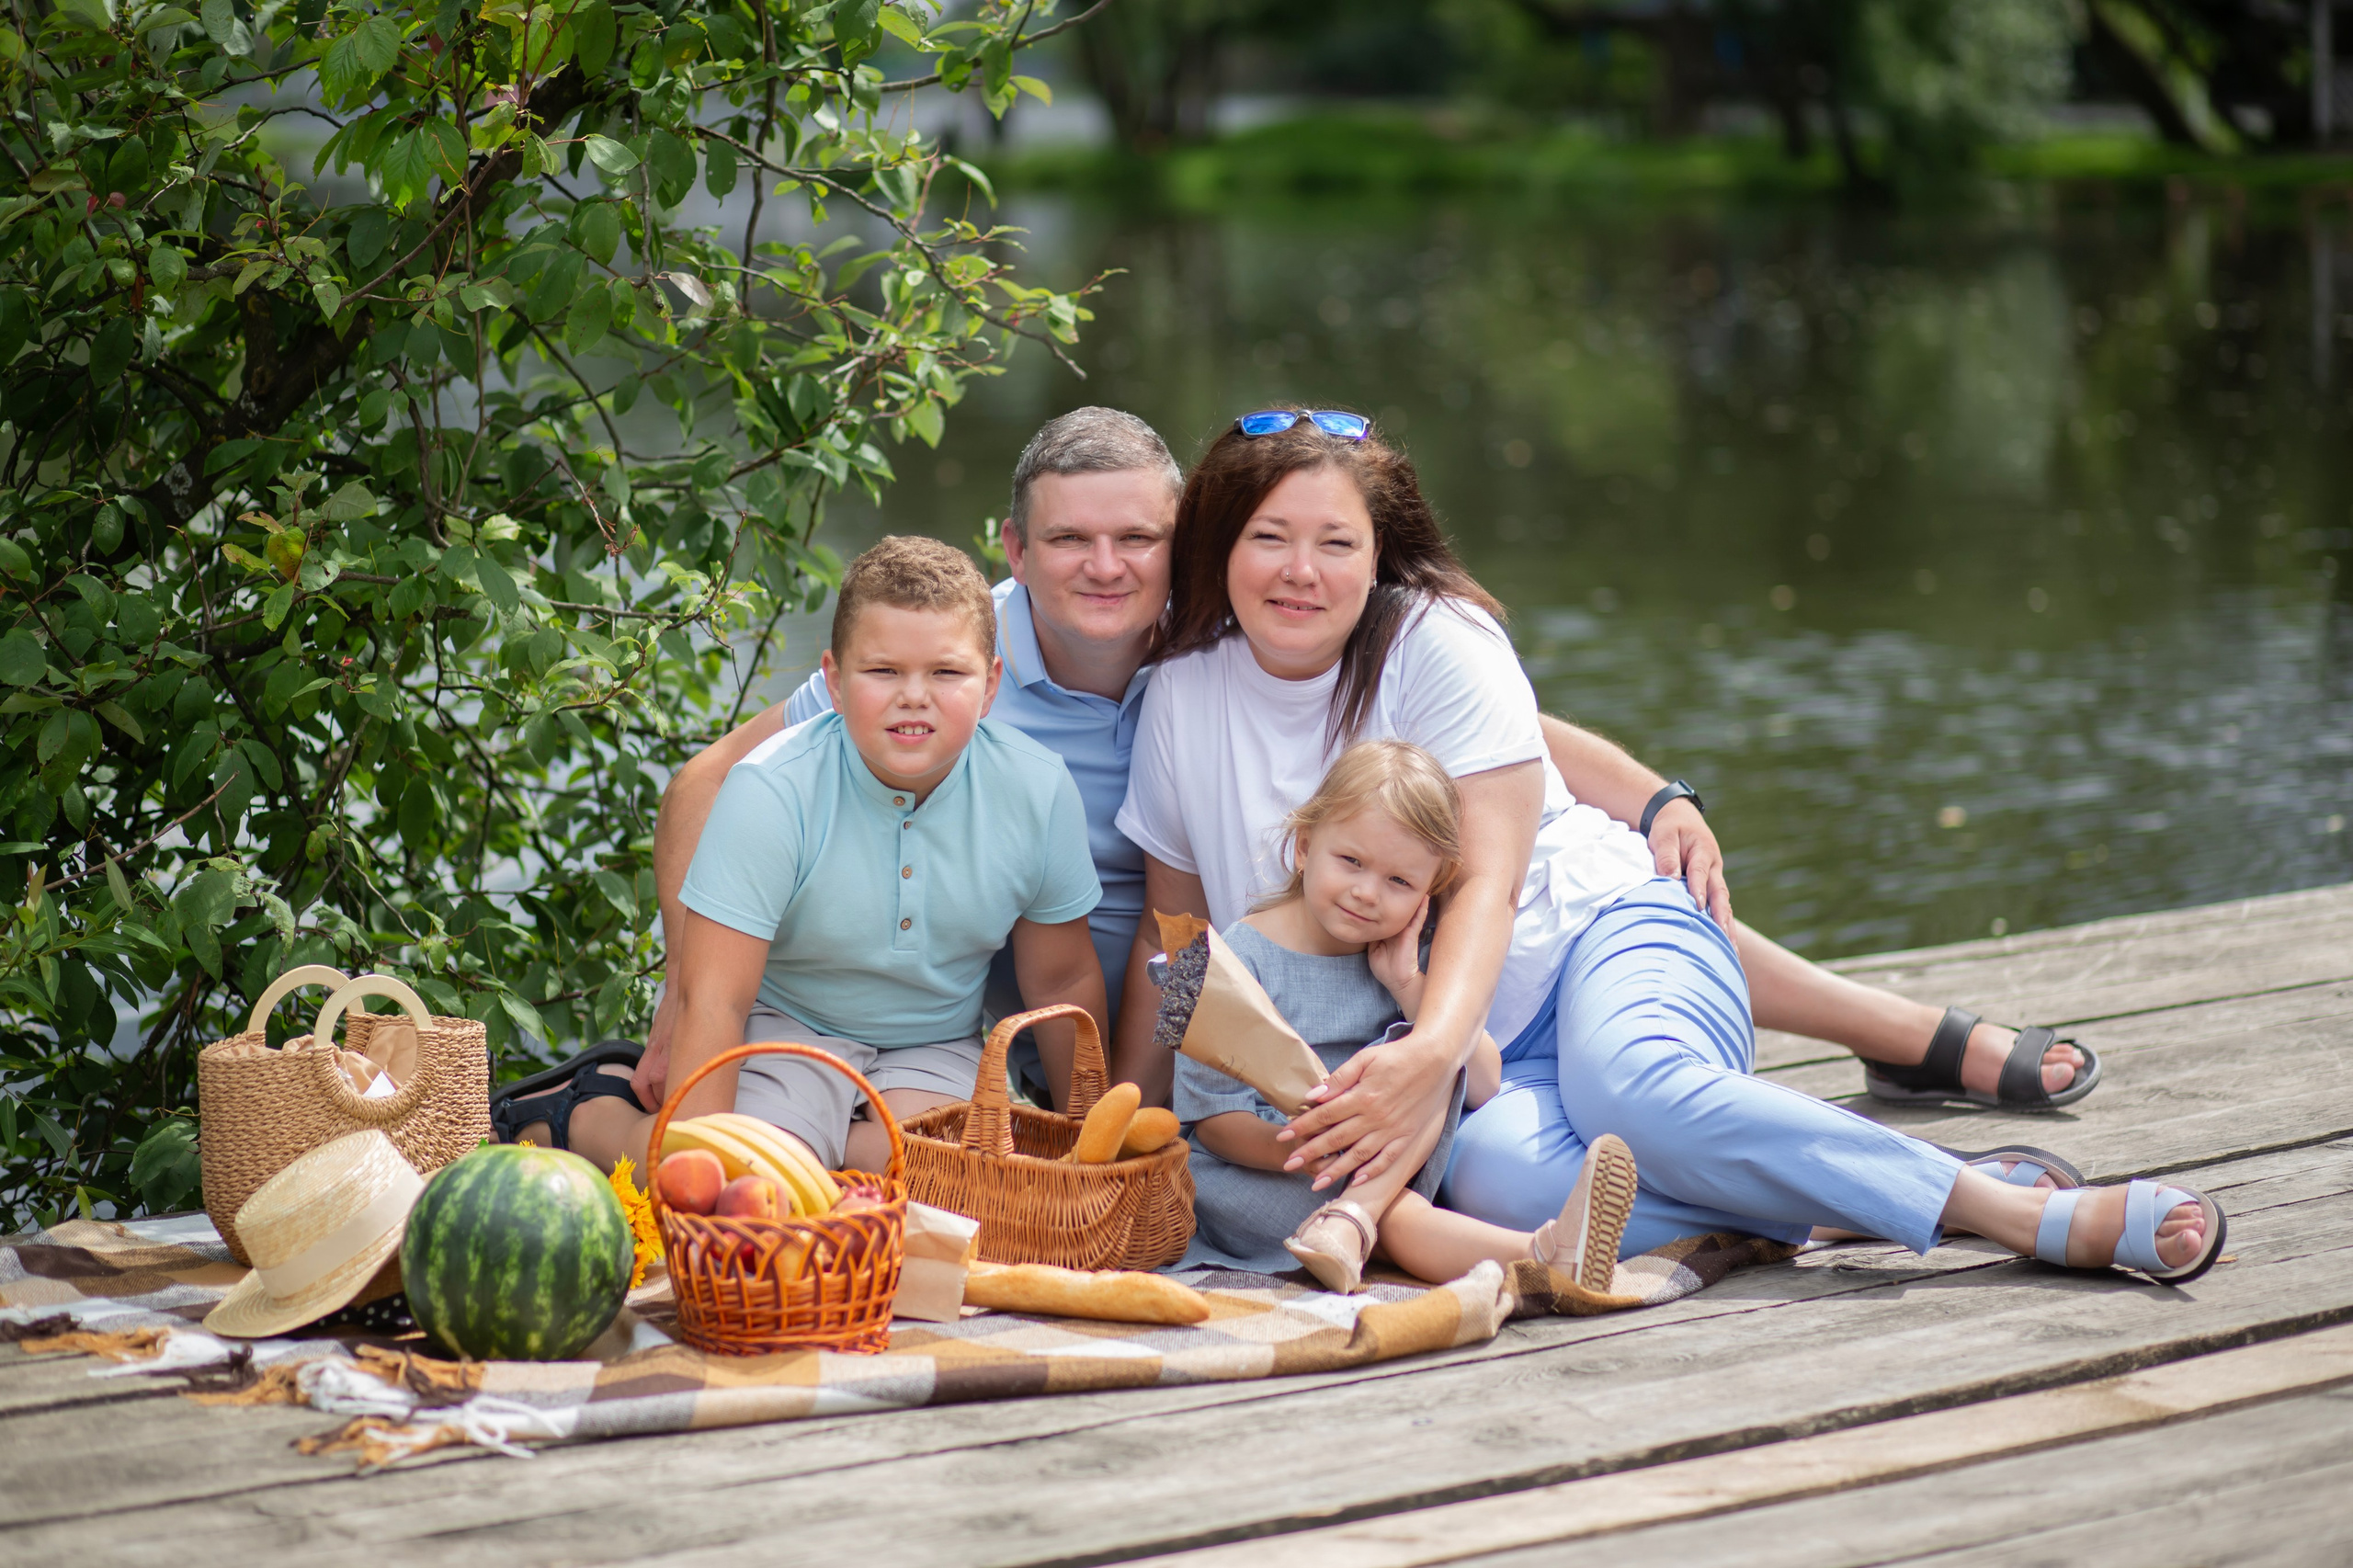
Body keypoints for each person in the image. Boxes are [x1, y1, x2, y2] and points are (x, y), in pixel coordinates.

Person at [637, 407, 2092, 1120]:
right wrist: (679, 1000)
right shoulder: (950, 659)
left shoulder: (1204, 634)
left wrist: (1655, 791)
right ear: (1013, 547)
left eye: (1138, 538)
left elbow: (1492, 738)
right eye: (1070, 539)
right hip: (1060, 984)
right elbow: (718, 783)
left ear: (1177, 543)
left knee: (1523, 858)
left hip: (1233, 949)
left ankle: (1888, 1027)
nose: (1105, 565)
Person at [1113, 406, 2223, 1284]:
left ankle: (2012, 1209)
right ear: (1223, 543)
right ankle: (1844, 1190)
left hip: (1595, 934)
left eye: (1333, 542)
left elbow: (1493, 882)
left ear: (1378, 554)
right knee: (1503, 1189)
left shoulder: (1434, 640)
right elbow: (1178, 942)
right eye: (1270, 538)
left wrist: (1425, 1054)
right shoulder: (1180, 695)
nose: (1299, 570)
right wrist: (1126, 1123)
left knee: (1639, 1091)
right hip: (1484, 1047)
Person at [493, 537, 1108, 1176]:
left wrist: (1090, 1150)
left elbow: (1061, 979)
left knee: (944, 1182)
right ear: (835, 682)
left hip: (933, 1039)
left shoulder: (1037, 790)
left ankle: (828, 1148)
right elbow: (716, 1001)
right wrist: (708, 1184)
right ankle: (586, 1115)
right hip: (786, 1025)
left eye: (947, 673)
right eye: (883, 671)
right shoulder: (771, 789)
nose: (914, 696)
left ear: (991, 687)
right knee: (749, 1175)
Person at [1180, 737, 1639, 1297]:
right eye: (1351, 861)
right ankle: (1540, 1257)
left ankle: (1363, 1223)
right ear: (1303, 847)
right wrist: (1317, 1149)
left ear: (1428, 893)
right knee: (1395, 1214)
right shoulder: (1230, 959)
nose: (1367, 893)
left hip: (1370, 1162)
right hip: (1260, 1171)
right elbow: (1212, 1123)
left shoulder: (1405, 960)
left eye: (1400, 882)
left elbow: (1484, 1080)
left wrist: (1409, 988)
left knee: (1427, 1058)